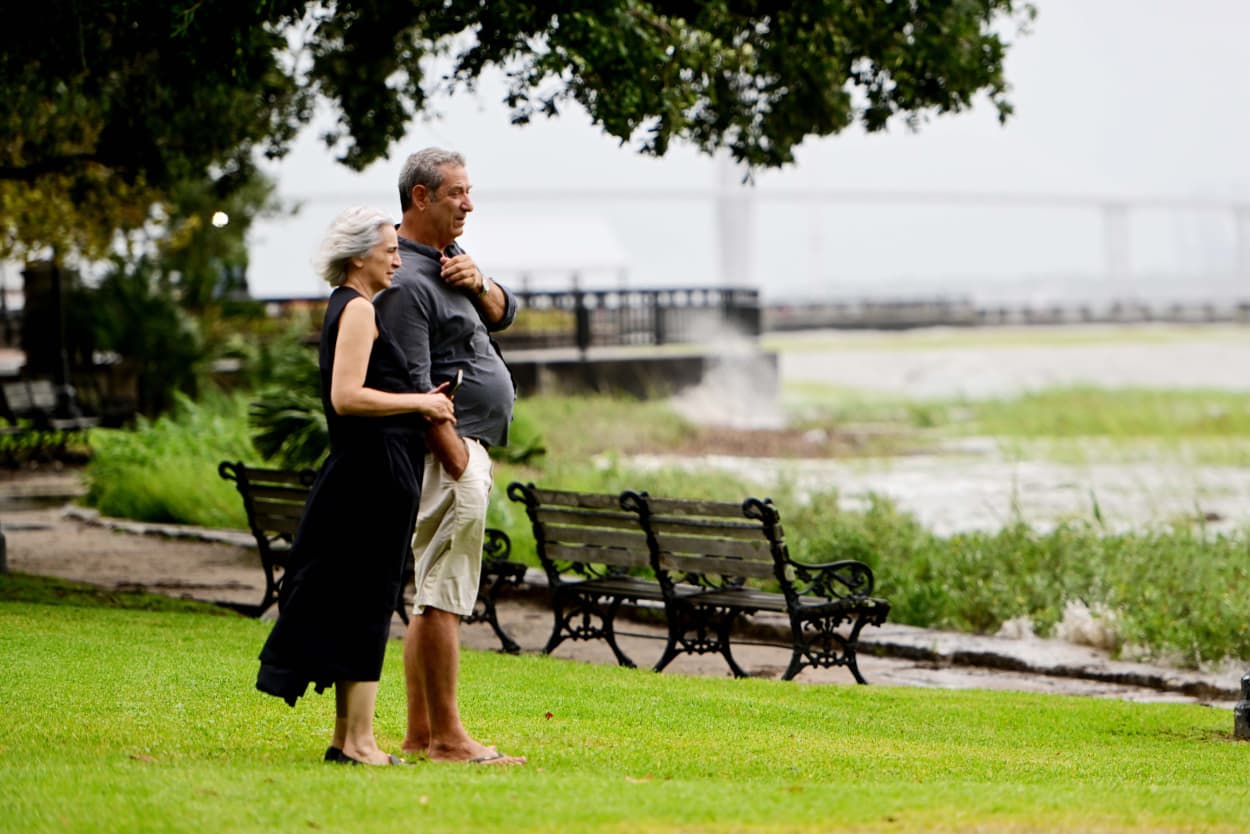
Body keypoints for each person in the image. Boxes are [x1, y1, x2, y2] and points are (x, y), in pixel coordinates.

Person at [255, 206, 456, 766]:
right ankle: (362, 742)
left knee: (357, 601)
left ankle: (348, 739)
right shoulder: (360, 311)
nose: (398, 257)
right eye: (390, 248)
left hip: (366, 470)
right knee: (369, 601)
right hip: (371, 474)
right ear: (359, 254)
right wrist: (422, 401)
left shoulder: (350, 307)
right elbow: (347, 397)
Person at [375, 148, 525, 765]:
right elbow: (413, 382)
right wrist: (458, 457)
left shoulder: (450, 262)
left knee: (433, 591)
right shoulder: (406, 281)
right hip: (448, 453)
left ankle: (418, 734)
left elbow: (505, 315)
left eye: (468, 191)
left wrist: (481, 282)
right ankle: (449, 739)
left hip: (462, 447)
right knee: (444, 593)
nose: (469, 203)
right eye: (457, 193)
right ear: (421, 198)